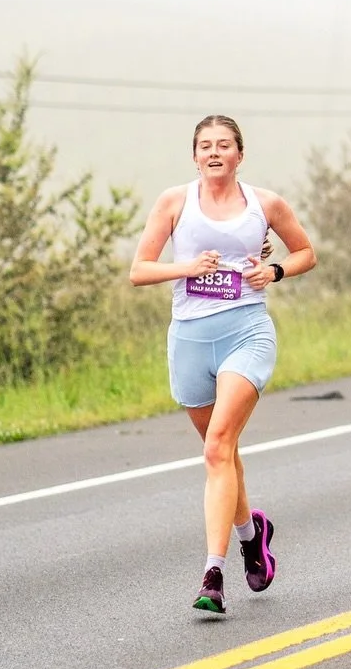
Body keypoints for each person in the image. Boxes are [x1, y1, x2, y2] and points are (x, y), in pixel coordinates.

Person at [130, 115, 316, 615]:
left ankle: (213, 575)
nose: (214, 153)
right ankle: (252, 536)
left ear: (239, 154)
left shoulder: (265, 204)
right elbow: (139, 270)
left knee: (217, 447)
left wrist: (273, 270)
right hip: (190, 339)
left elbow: (305, 252)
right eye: (206, 146)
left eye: (224, 145)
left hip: (246, 332)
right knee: (222, 454)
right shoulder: (174, 202)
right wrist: (187, 267)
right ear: (195, 156)